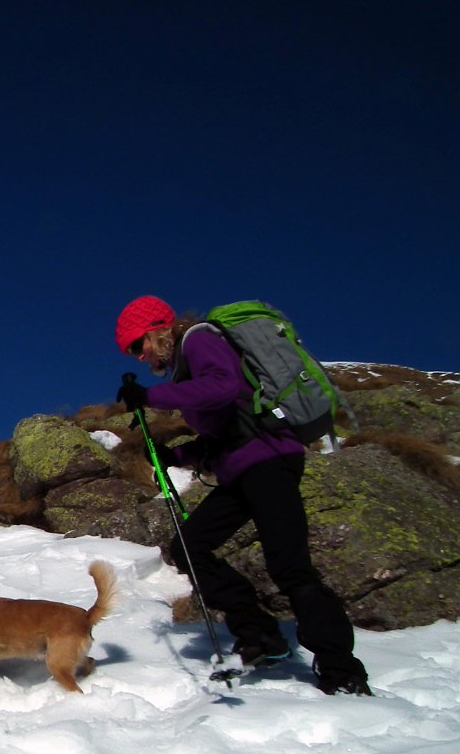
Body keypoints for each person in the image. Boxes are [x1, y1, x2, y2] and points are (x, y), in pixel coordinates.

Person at [114, 295, 372, 695]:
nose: (139, 356)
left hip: (270, 462)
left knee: (289, 565)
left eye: (137, 345)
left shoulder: (199, 339)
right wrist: (174, 454)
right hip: (242, 470)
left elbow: (222, 388)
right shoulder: (185, 369)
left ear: (157, 330)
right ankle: (260, 635)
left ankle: (341, 668)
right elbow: (224, 434)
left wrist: (151, 398)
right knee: (189, 546)